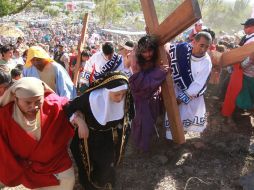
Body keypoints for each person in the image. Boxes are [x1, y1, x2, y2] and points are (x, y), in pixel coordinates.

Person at [0, 77, 87, 189]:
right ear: (16, 99)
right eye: (28, 102)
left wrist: (79, 120)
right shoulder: (5, 115)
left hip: (55, 163)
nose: (34, 106)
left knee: (67, 180)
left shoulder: (52, 104)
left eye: (38, 101)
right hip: (26, 166)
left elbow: (68, 106)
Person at [64, 72, 134, 189]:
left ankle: (105, 183)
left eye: (123, 94)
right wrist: (80, 122)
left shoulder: (125, 99)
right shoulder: (91, 98)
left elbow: (129, 115)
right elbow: (69, 107)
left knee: (107, 165)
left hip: (109, 138)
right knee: (87, 164)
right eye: (117, 94)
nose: (121, 98)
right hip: (89, 137)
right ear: (106, 92)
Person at [165, 31, 212, 139]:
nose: (204, 49)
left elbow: (198, 84)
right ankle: (171, 138)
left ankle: (180, 138)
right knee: (172, 117)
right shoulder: (182, 49)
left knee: (185, 118)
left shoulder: (206, 62)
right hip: (176, 89)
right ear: (194, 42)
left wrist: (181, 99)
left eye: (207, 47)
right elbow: (167, 48)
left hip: (191, 96)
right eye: (201, 45)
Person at [129, 35, 167, 152]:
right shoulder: (136, 63)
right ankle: (140, 146)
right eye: (144, 52)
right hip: (140, 98)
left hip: (153, 97)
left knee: (151, 120)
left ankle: (147, 144)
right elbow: (140, 85)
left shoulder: (157, 59)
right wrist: (159, 73)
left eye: (150, 50)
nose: (147, 54)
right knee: (141, 122)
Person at [222, 18, 254, 119]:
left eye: (246, 26)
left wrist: (240, 66)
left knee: (240, 93)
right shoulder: (248, 38)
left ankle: (236, 112)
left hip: (246, 72)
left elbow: (250, 58)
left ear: (252, 27)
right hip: (242, 69)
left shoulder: (252, 40)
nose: (244, 28)